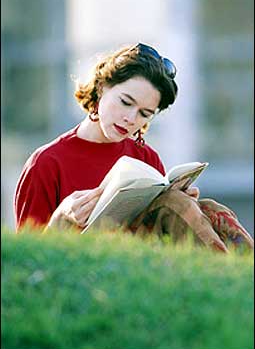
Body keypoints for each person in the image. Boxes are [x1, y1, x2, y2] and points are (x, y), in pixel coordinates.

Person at [14, 42, 254, 253]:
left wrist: (183, 202)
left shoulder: (145, 157)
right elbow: (29, 260)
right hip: (90, 270)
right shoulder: (47, 162)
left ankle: (241, 279)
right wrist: (63, 216)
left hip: (145, 258)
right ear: (101, 88)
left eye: (144, 114)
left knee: (208, 208)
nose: (130, 118)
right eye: (126, 102)